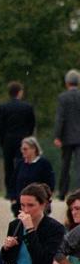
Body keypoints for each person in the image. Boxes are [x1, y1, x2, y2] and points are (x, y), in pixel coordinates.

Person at [0, 81, 36, 200]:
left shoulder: (3, 107)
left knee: (8, 166)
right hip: (23, 139)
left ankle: (9, 191)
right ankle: (21, 189)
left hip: (8, 139)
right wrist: (28, 138)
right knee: (21, 164)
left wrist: (2, 140)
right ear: (20, 92)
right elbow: (31, 124)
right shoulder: (27, 107)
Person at [54, 69, 80, 199]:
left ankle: (62, 191)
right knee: (79, 165)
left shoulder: (63, 98)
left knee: (65, 165)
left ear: (67, 83)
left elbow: (60, 118)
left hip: (67, 136)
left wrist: (57, 135)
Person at [12, 136, 54, 214]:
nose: (22, 151)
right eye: (22, 149)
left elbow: (50, 184)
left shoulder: (44, 164)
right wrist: (13, 199)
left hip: (38, 204)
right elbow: (14, 182)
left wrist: (45, 200)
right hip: (21, 205)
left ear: (34, 149)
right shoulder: (20, 164)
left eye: (25, 149)